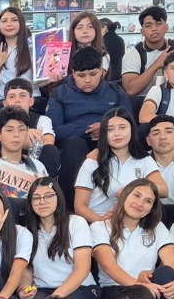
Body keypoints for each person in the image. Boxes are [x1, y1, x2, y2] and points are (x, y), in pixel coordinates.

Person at [80, 178, 174, 299]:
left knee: (166, 273)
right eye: (136, 195)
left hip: (148, 287)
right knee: (140, 298)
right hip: (115, 289)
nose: (140, 203)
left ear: (151, 208)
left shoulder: (157, 228)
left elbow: (171, 258)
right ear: (125, 196)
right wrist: (139, 285)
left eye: (148, 201)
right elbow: (108, 265)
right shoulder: (100, 227)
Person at [47, 49, 132, 193]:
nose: (87, 80)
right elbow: (54, 130)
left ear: (101, 71)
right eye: (81, 75)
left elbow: (130, 123)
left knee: (113, 140)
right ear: (73, 73)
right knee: (75, 144)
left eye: (93, 74)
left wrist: (106, 128)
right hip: (73, 142)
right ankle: (72, 201)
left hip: (109, 138)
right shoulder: (60, 93)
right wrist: (87, 129)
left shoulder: (115, 91)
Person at [73, 108, 158, 223]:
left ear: (132, 129)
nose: (117, 134)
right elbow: (80, 206)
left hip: (133, 222)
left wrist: (131, 189)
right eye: (110, 129)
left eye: (122, 127)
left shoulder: (144, 160)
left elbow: (163, 189)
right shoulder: (92, 162)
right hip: (98, 221)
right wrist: (103, 222)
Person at [120, 5, 174, 98]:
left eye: (158, 23)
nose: (154, 29)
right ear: (142, 31)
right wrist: (156, 65)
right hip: (143, 100)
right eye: (148, 25)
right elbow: (130, 90)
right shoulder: (133, 54)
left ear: (167, 27)